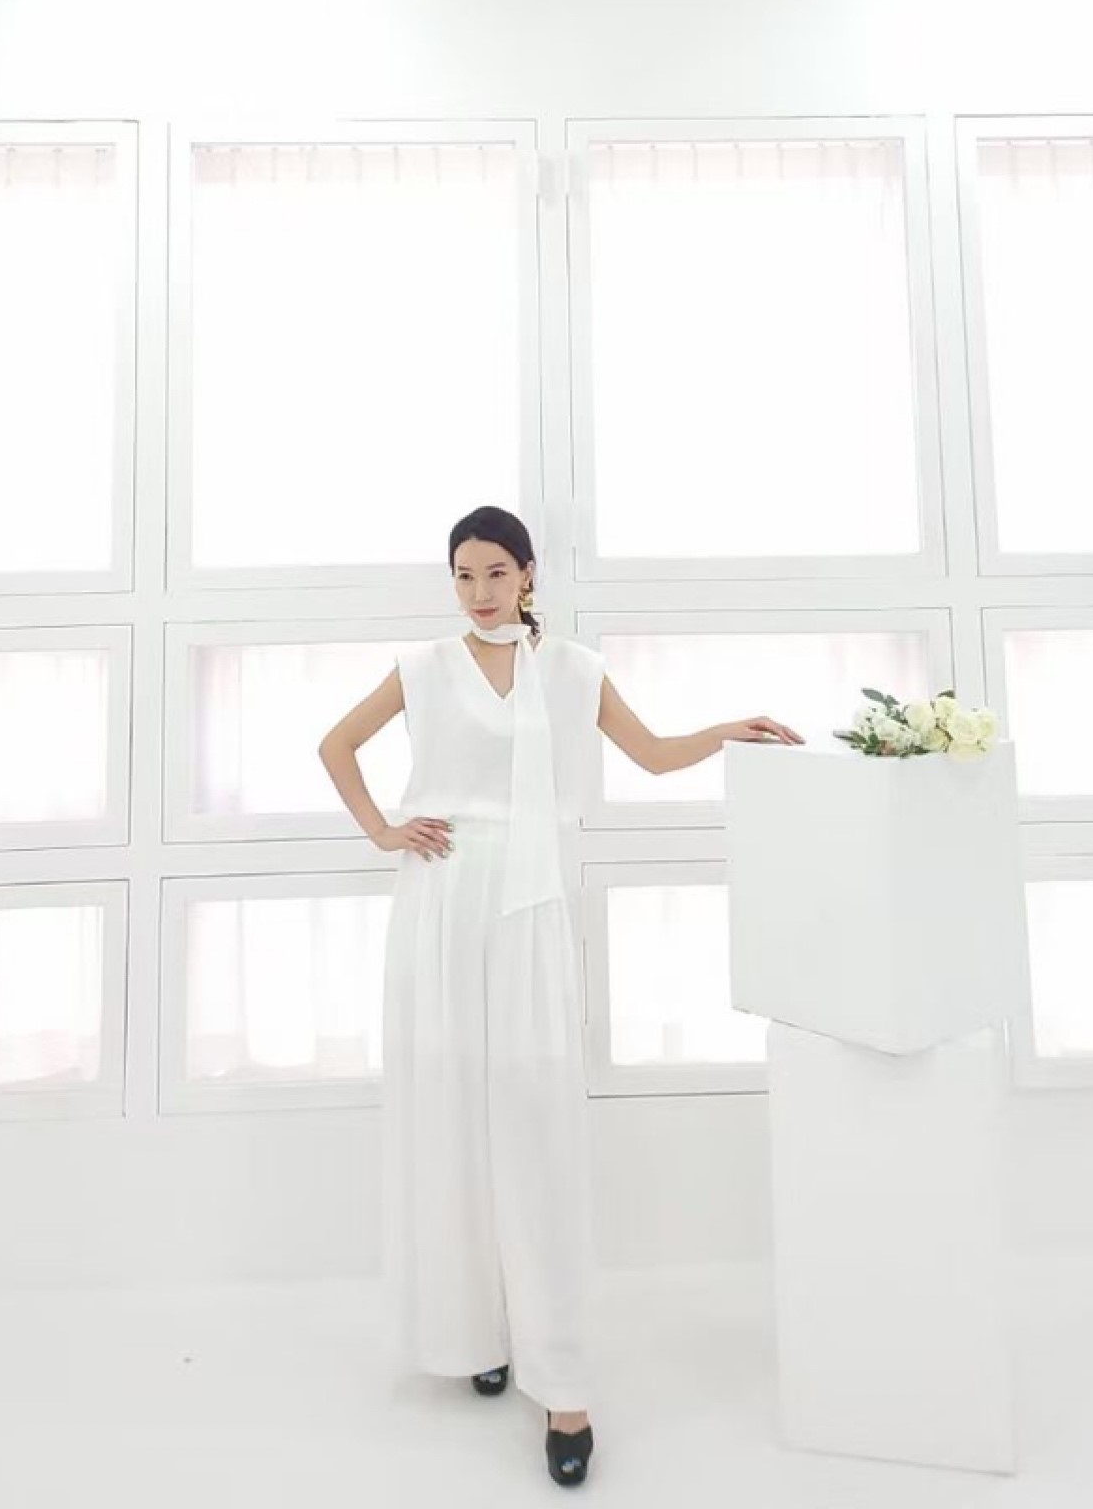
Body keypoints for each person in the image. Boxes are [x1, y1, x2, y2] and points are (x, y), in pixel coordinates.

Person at [317, 504, 803, 1487]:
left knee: (534, 1122)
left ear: (529, 574)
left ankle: (564, 1384)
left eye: (496, 572)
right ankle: (474, 1333)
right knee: (453, 1115)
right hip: (442, 901)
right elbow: (337, 746)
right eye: (464, 575)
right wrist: (383, 830)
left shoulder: (573, 670)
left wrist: (727, 731)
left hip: (530, 903)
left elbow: (652, 752)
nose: (479, 591)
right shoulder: (424, 667)